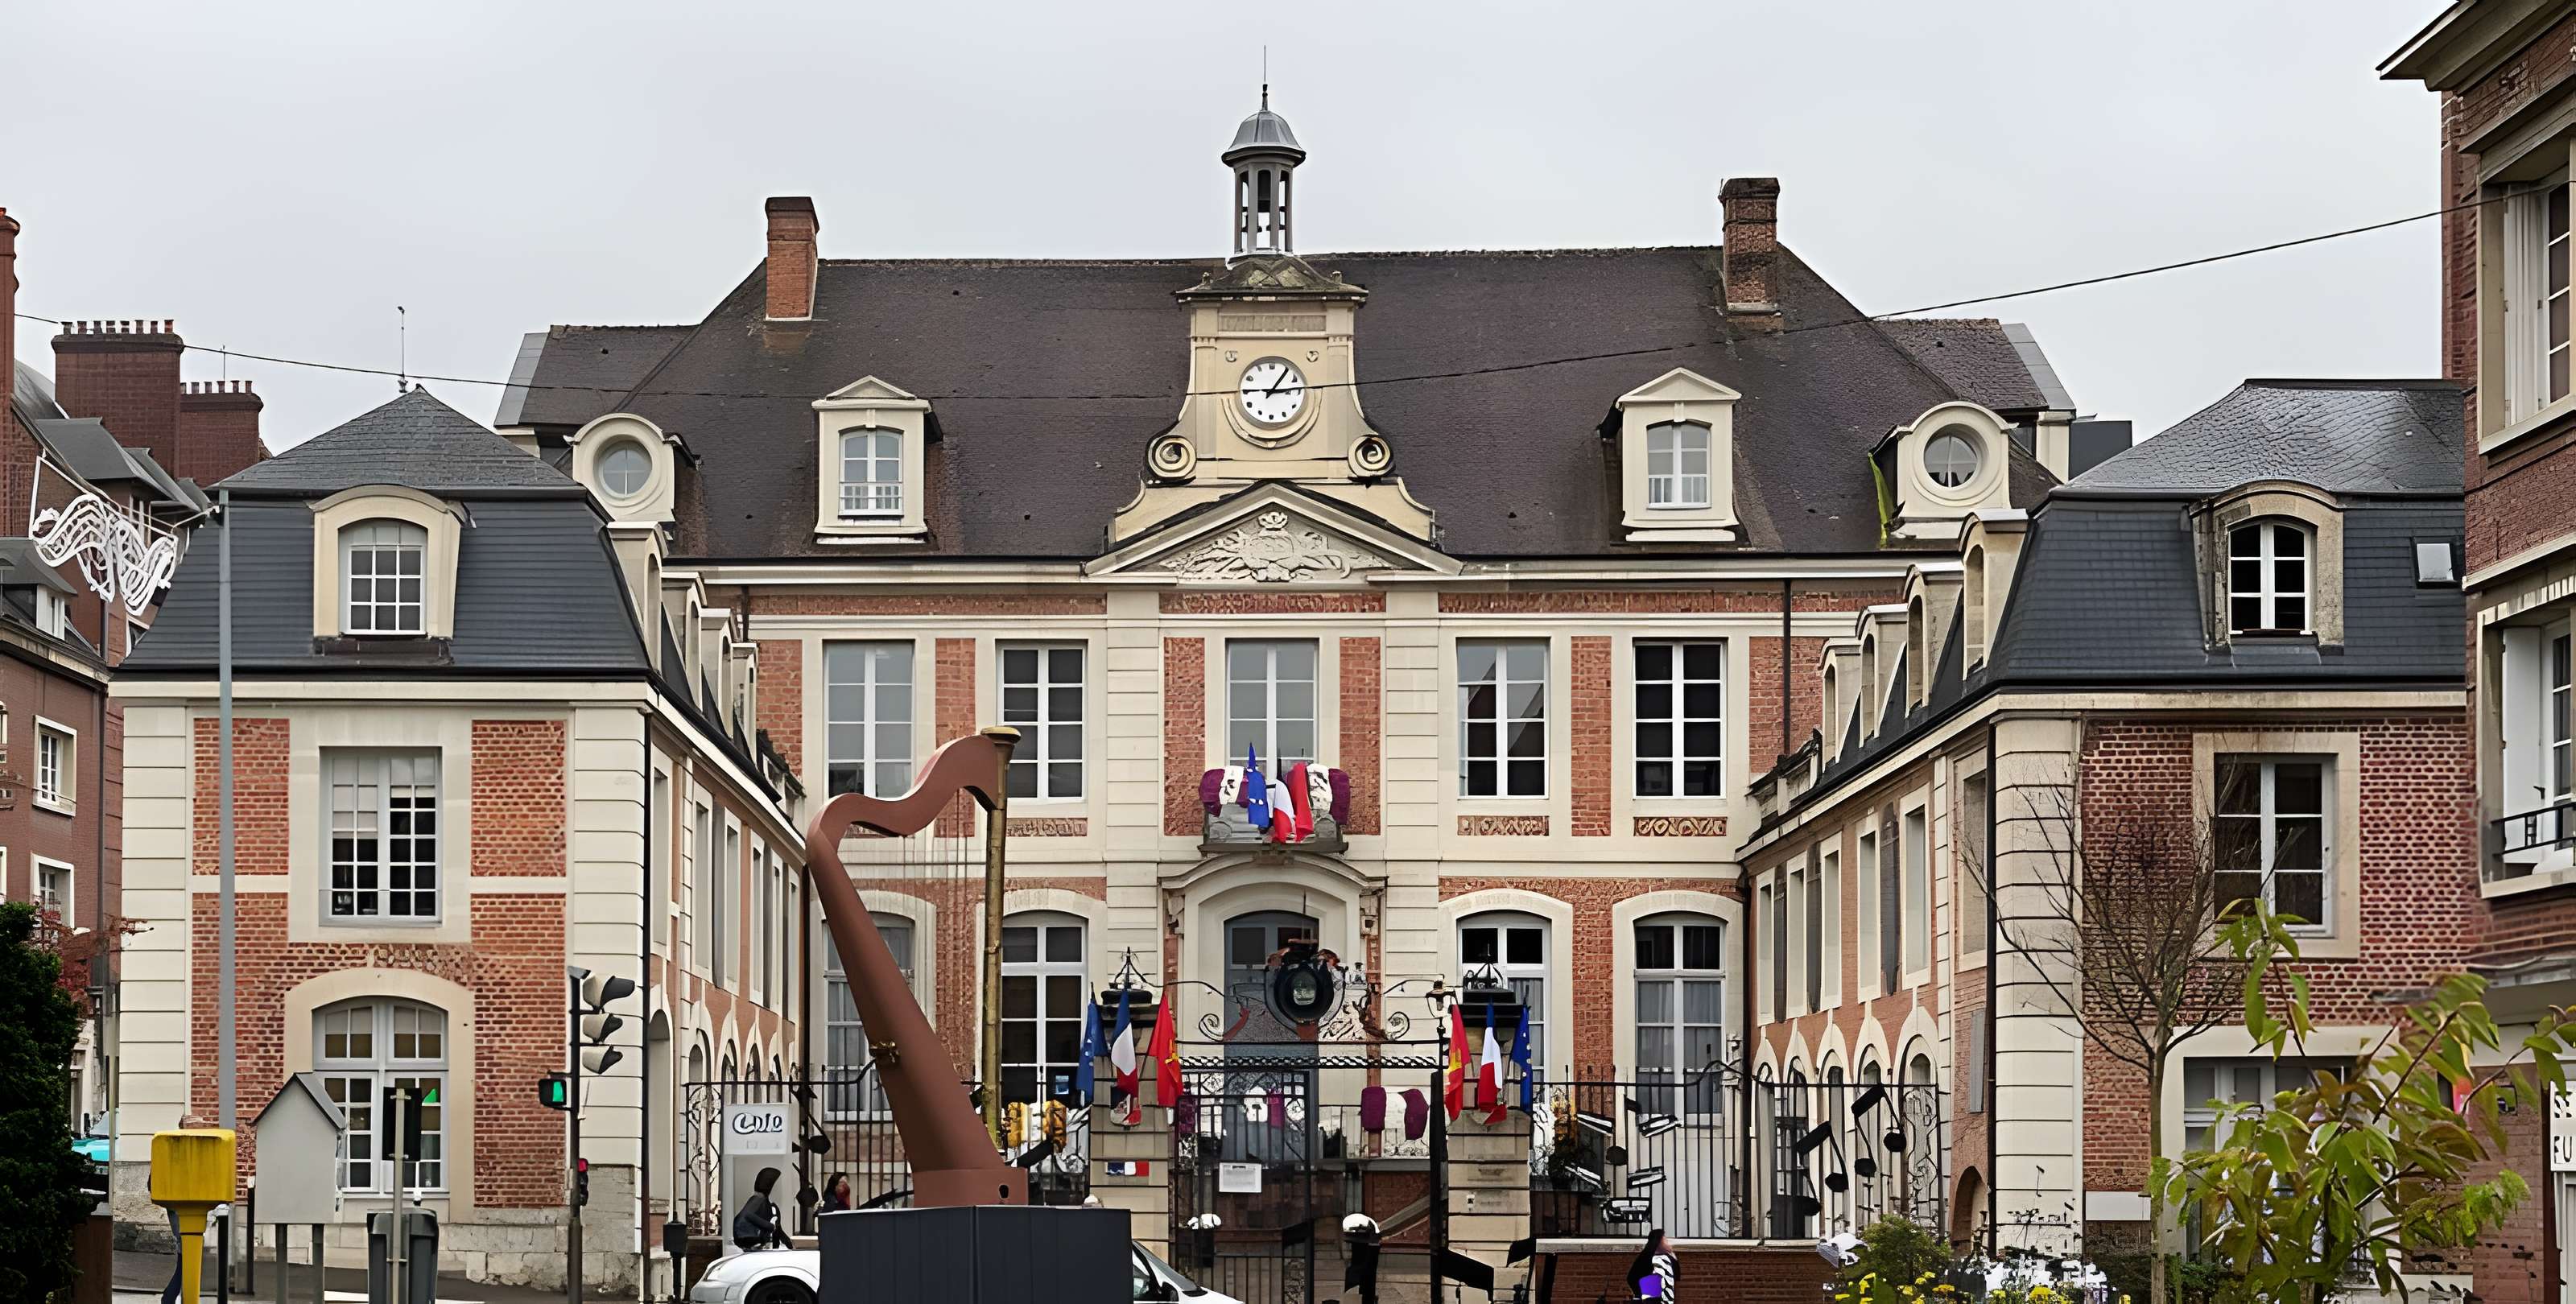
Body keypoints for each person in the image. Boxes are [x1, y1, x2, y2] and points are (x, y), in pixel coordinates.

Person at [733, 1166, 790, 1253]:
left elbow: (778, 1230)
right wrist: (770, 1226)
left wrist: (789, 1246)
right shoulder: (759, 1200)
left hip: (745, 1238)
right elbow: (747, 1214)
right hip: (748, 1238)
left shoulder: (765, 1203)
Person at [1625, 1228, 1676, 1303]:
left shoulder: (1664, 1258)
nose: (1668, 1243)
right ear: (1659, 1243)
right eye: (1665, 1240)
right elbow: (1631, 1278)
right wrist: (1641, 1295)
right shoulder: (1648, 1258)